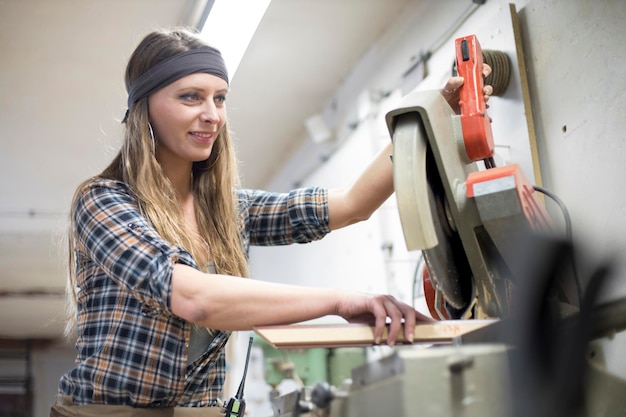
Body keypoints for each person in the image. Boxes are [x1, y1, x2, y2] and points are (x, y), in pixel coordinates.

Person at [51, 27, 492, 415]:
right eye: (190, 97)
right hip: (102, 414)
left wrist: (431, 115)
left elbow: (354, 204)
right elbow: (193, 297)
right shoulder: (104, 201)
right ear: (145, 108)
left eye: (219, 98)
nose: (212, 115)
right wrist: (340, 301)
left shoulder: (229, 211)